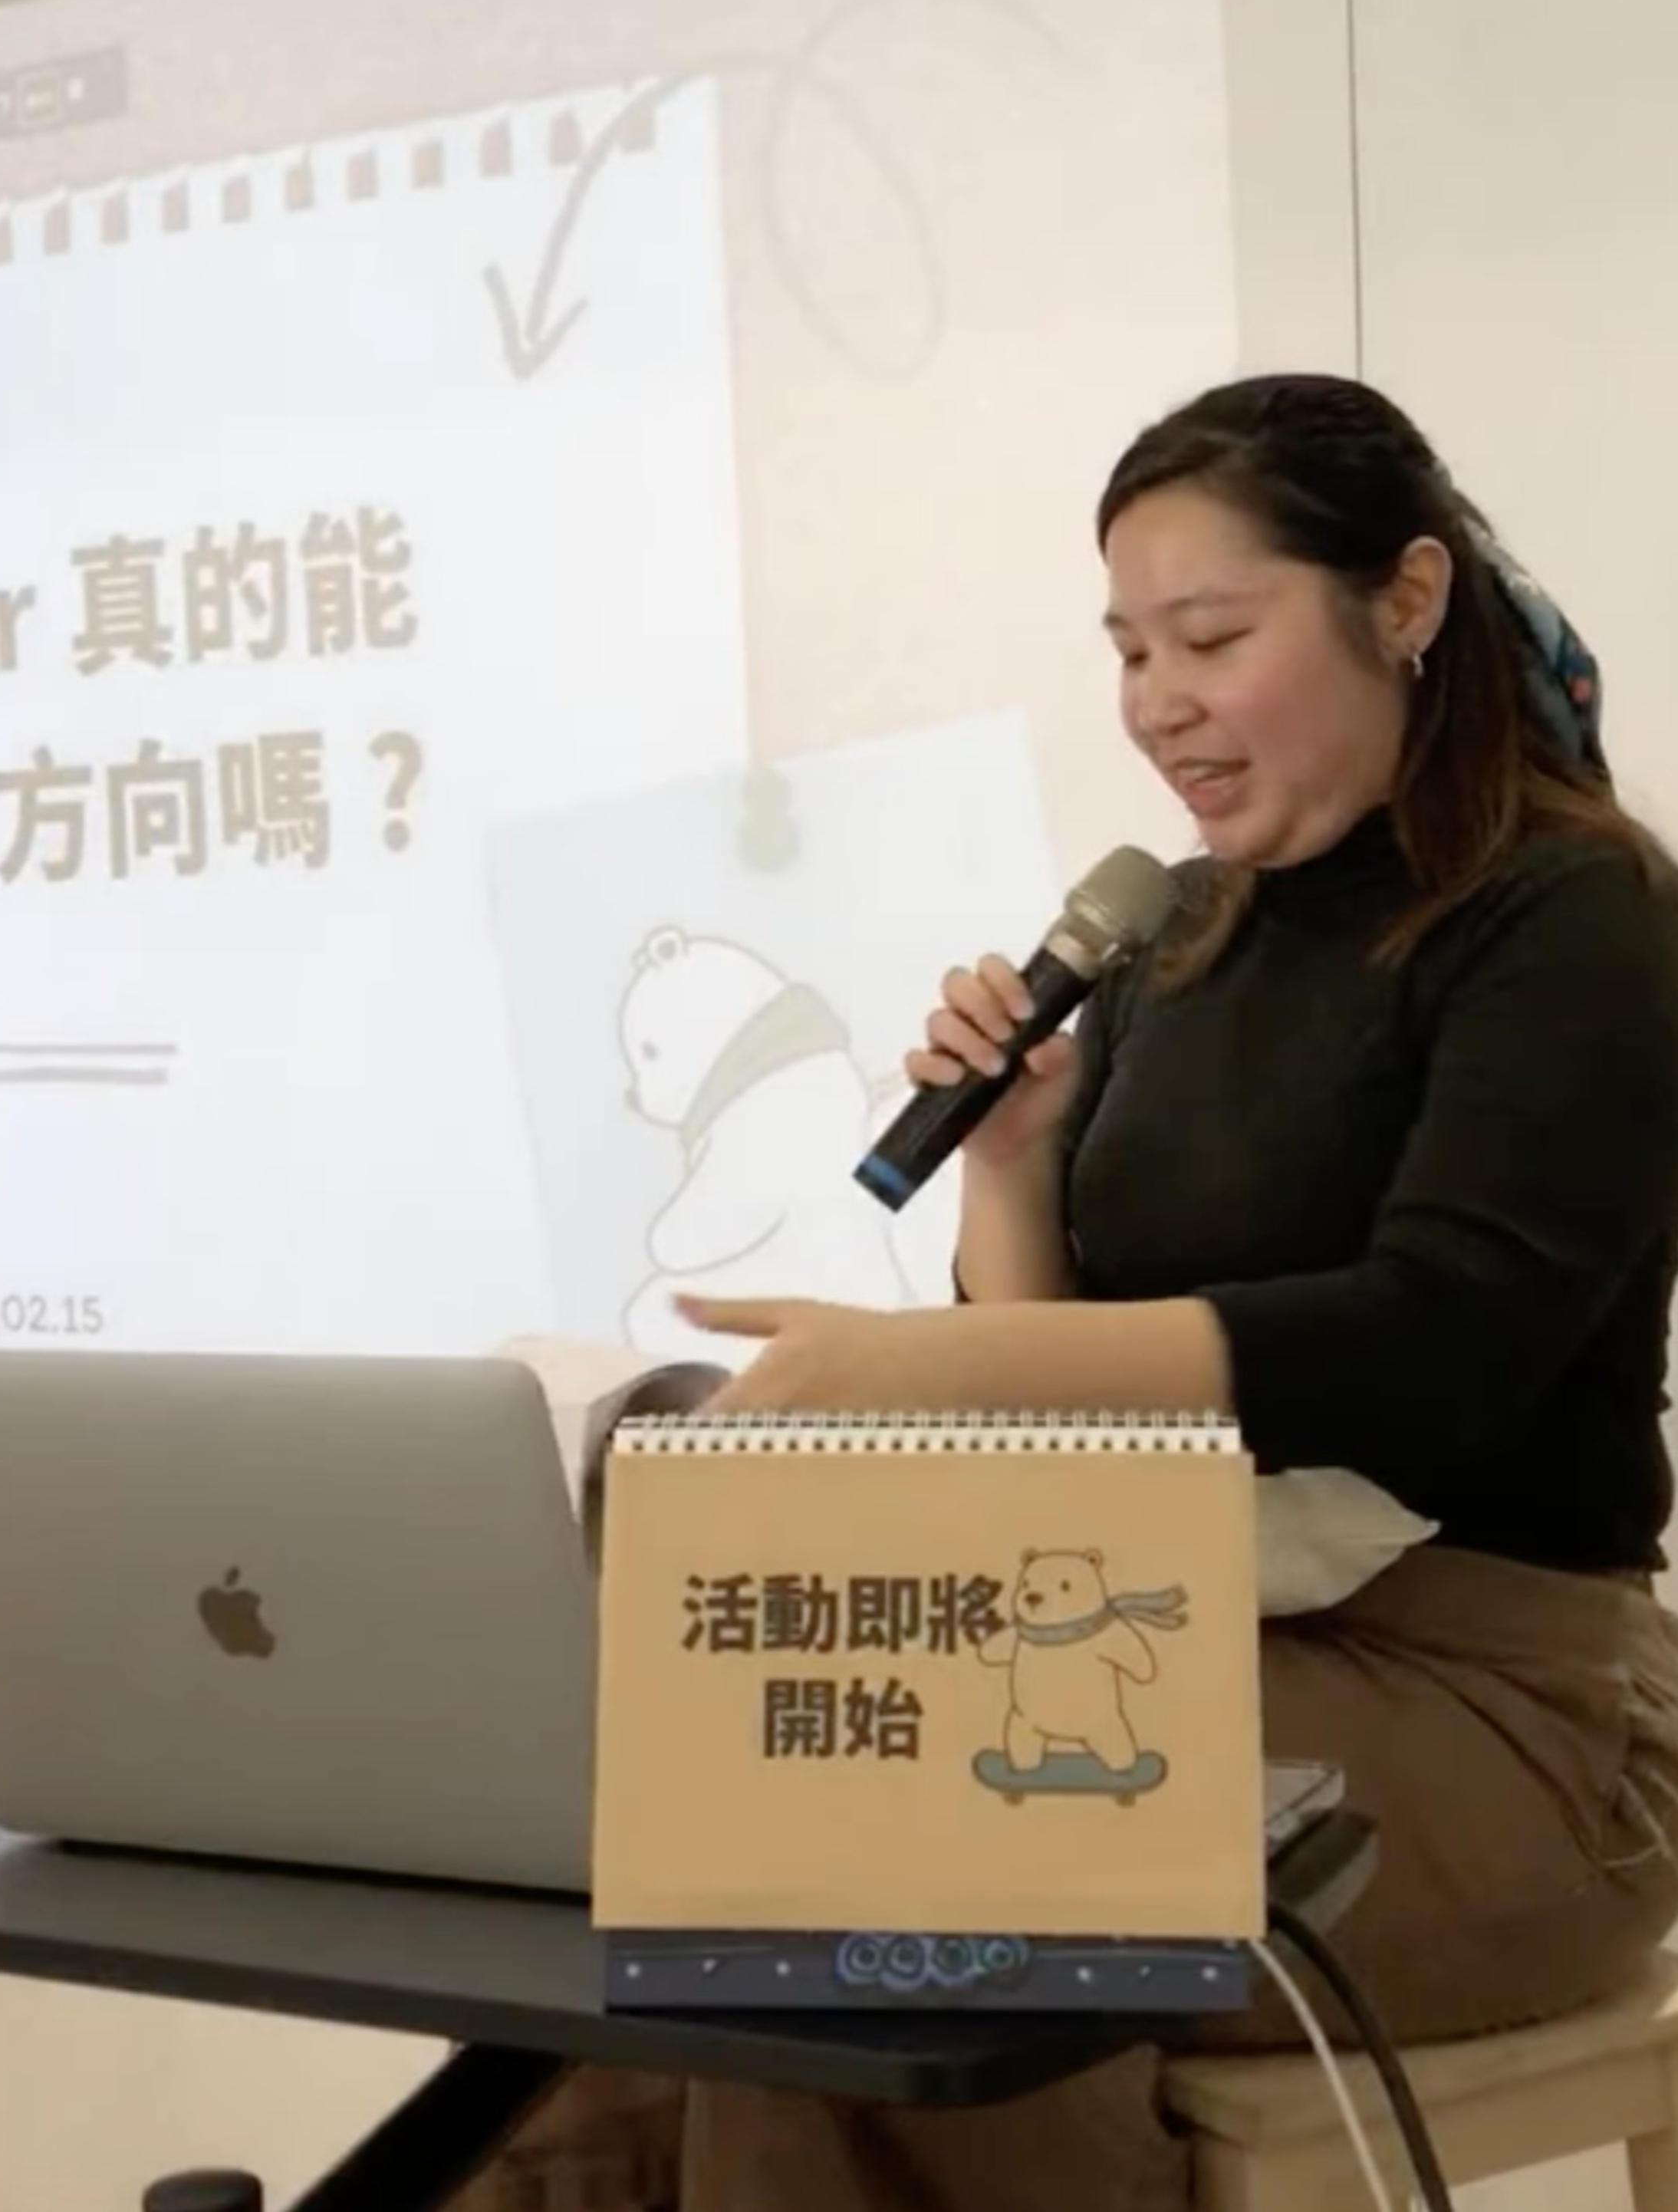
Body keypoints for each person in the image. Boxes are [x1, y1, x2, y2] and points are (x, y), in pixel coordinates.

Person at [452, 374, 1678, 2212]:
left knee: (891, 1896)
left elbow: (1434, 1344)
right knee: (708, 1888)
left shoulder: (1567, 912)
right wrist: (1015, 1162)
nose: (1157, 701)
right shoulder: (1175, 932)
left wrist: (921, 1370)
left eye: (1211, 637)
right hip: (1166, 1636)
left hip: (1506, 1723)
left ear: (1407, 600)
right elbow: (1081, 1427)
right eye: (1128, 651)